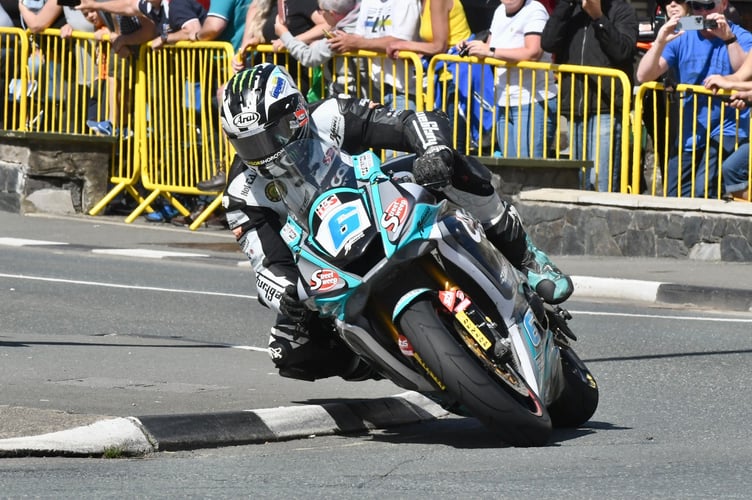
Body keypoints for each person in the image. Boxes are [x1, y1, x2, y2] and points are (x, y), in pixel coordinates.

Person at [218, 62, 573, 381]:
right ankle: (380, 358)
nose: (262, 154)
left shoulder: (330, 115)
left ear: (295, 114)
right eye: (247, 145)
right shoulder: (241, 192)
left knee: (447, 165)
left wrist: (433, 150)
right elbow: (266, 266)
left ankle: (526, 256)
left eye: (267, 138)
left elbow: (409, 121)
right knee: (288, 351)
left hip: (379, 202)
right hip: (325, 261)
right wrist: (288, 296)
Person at [636, 0, 752, 198]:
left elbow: (745, 74)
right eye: (698, 7)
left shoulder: (741, 36)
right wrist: (661, 41)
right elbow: (643, 76)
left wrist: (728, 39)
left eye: (709, 6)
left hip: (727, 128)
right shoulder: (683, 34)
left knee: (704, 191)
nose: (704, 12)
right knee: (674, 196)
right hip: (690, 131)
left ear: (724, 5)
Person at [541, 0, 638, 192]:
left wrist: (598, 17)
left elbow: (623, 51)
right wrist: (566, 5)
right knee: (579, 181)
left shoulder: (621, 9)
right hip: (576, 108)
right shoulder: (571, 11)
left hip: (606, 108)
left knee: (601, 181)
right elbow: (548, 42)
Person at [461, 0, 556, 158]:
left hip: (532, 101)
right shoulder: (499, 11)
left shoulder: (535, 10)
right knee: (509, 171)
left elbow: (532, 53)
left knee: (527, 170)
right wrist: (473, 46)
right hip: (504, 101)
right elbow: (490, 48)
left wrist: (489, 51)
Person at [328, 0, 421, 111]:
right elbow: (359, 37)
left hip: (405, 91)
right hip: (377, 88)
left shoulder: (406, 2)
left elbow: (400, 41)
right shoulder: (368, 2)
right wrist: (342, 40)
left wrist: (356, 43)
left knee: (403, 128)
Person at [273, 0, 363, 98]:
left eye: (320, 10)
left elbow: (308, 56)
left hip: (348, 98)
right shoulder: (359, 27)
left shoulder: (341, 36)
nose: (320, 14)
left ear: (332, 13)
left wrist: (284, 34)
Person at [385, 0, 471, 59]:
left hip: (457, 73)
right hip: (443, 71)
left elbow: (439, 47)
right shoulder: (422, 2)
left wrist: (400, 45)